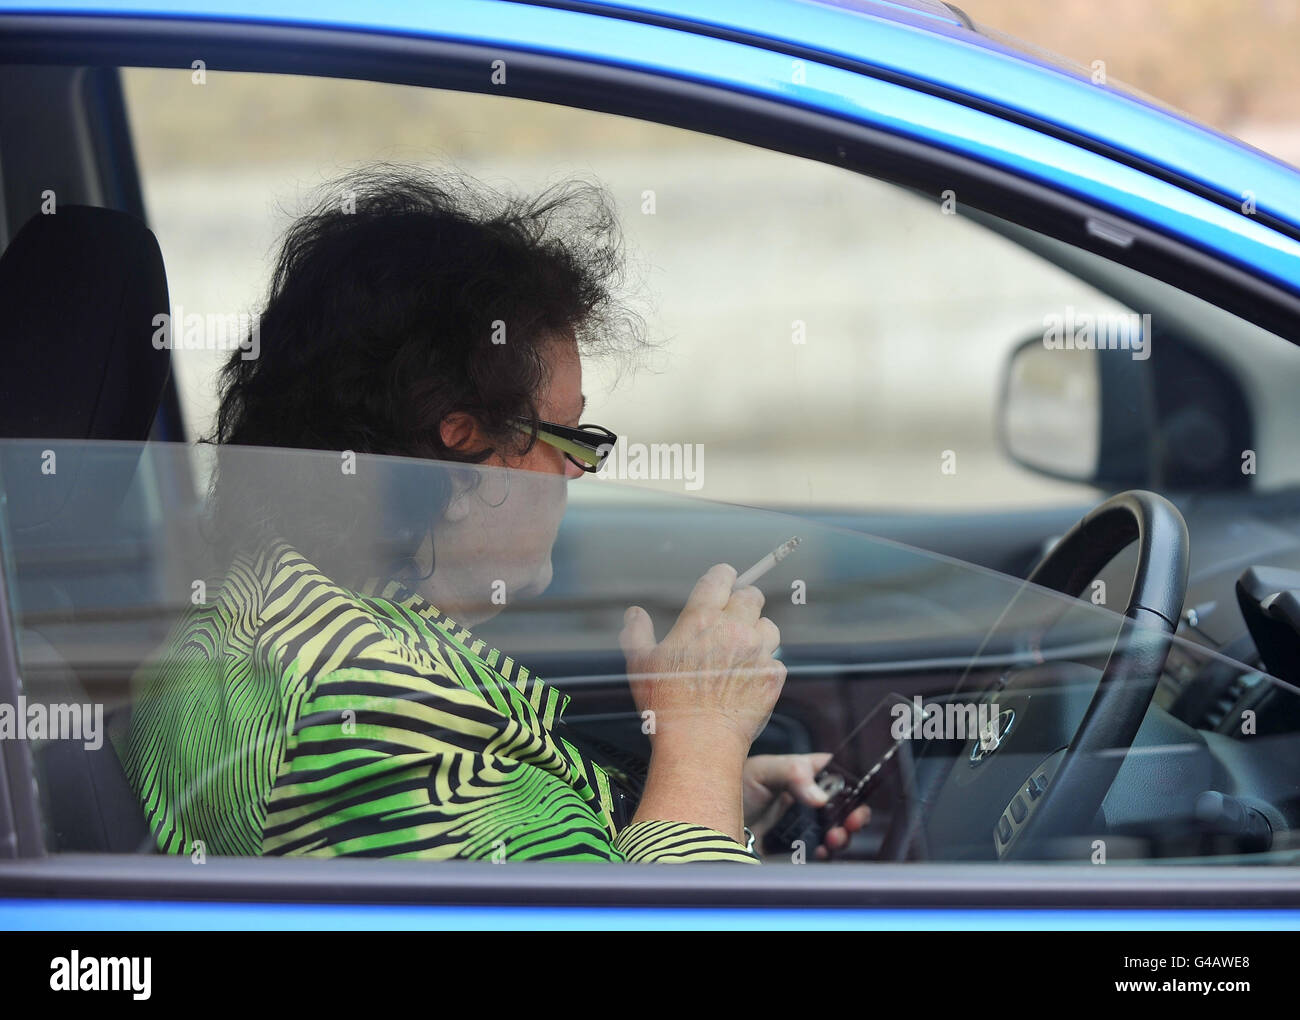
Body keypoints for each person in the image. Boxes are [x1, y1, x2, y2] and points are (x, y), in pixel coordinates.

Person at [120, 165, 868, 862]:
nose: (578, 466)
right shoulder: (370, 710)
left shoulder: (254, 624)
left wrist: (711, 798)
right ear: (462, 443)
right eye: (567, 435)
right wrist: (699, 739)